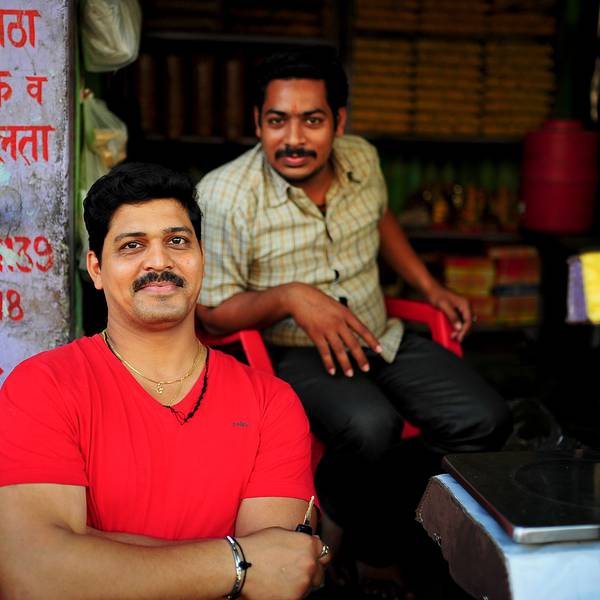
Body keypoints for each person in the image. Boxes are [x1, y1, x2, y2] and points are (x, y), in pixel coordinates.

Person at [195, 49, 512, 596]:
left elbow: (380, 217)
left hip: (378, 331)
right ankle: (377, 546)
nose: (294, 139)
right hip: (293, 349)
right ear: (257, 122)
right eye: (277, 121)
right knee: (370, 427)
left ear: (339, 122)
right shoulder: (224, 194)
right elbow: (212, 310)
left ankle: (365, 511)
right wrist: (292, 297)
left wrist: (430, 287)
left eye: (312, 120)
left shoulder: (362, 159)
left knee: (485, 419)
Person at [0, 162, 331, 600]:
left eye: (177, 241)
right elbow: (33, 577)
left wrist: (86, 550)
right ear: (96, 269)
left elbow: (280, 575)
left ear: (201, 258)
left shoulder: (271, 402)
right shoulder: (43, 387)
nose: (159, 261)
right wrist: (238, 561)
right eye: (132, 245)